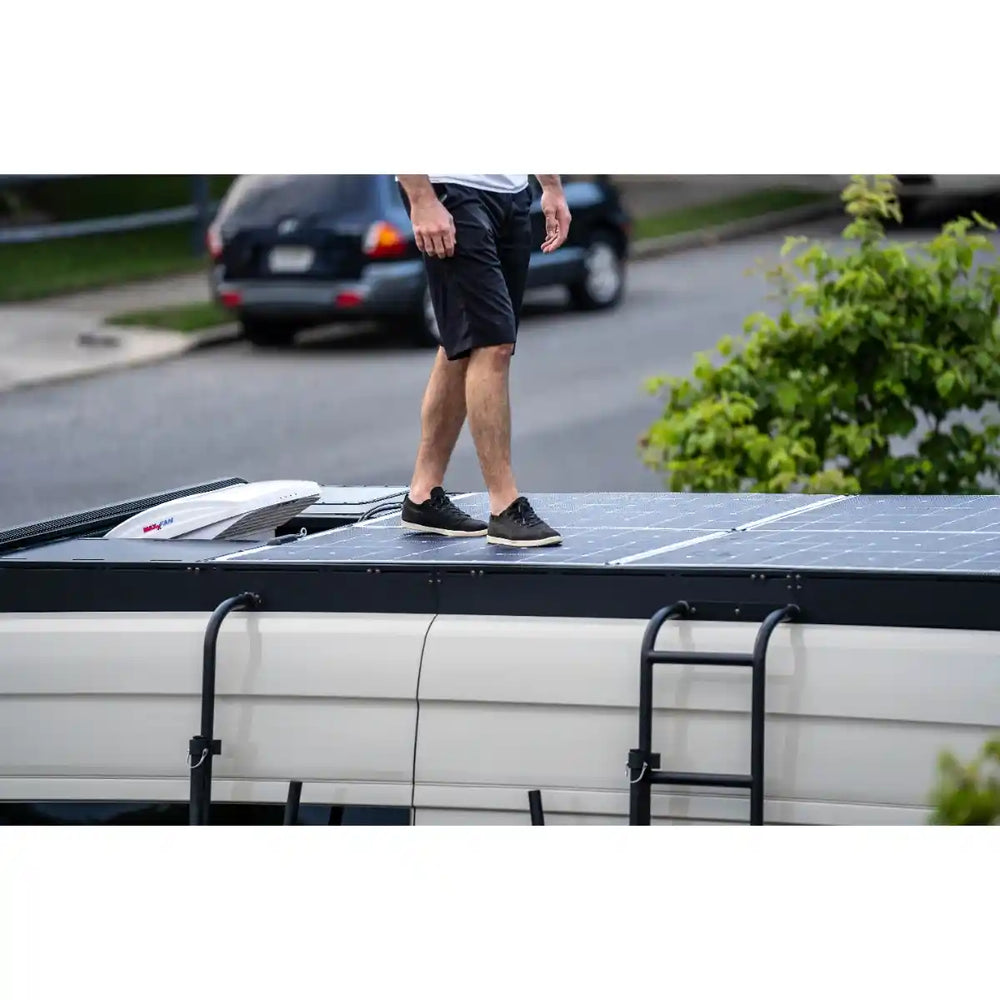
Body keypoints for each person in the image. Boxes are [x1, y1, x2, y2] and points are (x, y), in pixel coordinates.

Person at [395, 174, 571, 548]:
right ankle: (504, 507)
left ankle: (423, 495)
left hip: (511, 192)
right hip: (451, 187)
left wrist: (551, 186)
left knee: (462, 341)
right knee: (493, 344)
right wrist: (421, 197)